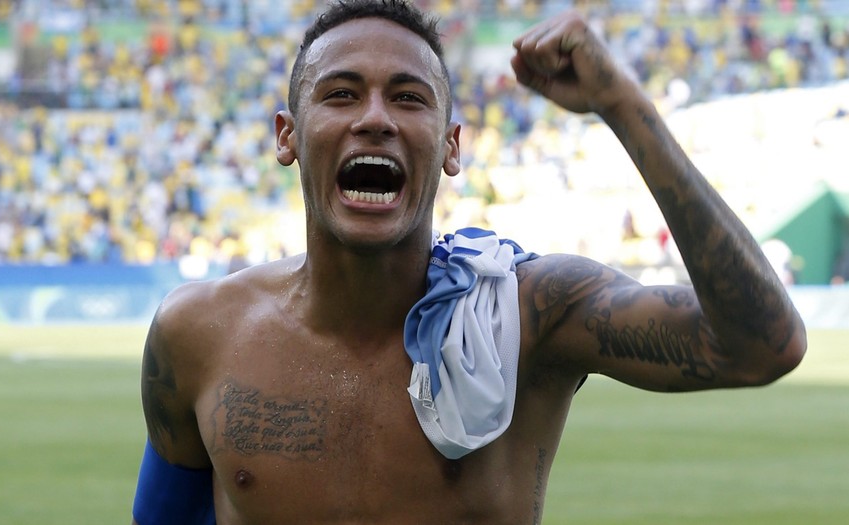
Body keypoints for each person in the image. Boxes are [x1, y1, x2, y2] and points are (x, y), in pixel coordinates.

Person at [131, 1, 807, 524]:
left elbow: (759, 346)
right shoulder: (197, 333)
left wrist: (622, 107)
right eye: (339, 94)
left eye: (408, 97)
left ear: (452, 146)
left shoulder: (531, 313)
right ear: (287, 136)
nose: (375, 119)